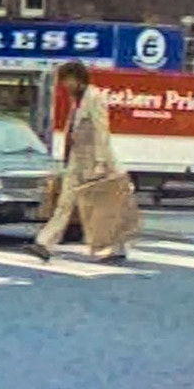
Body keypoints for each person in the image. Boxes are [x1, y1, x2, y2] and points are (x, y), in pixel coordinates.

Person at [25, 60, 127, 264]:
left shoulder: (94, 97)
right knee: (65, 203)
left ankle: (117, 246)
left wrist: (100, 163)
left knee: (101, 206)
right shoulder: (77, 99)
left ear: (78, 78)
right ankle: (44, 243)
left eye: (67, 79)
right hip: (76, 159)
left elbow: (101, 130)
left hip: (95, 161)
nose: (65, 84)